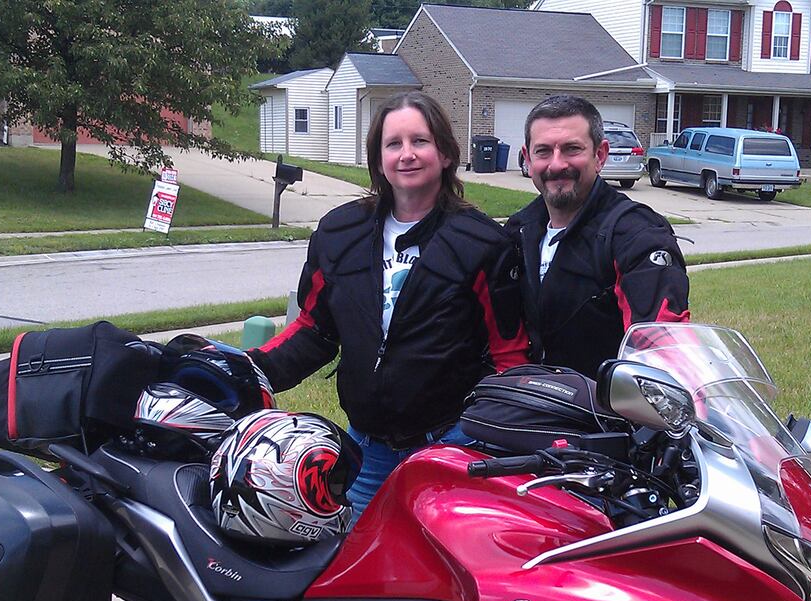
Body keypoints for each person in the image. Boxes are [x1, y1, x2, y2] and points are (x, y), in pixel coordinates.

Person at [250, 92, 527, 510]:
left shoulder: (483, 243)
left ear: (446, 154)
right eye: (393, 144)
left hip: (451, 447)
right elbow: (314, 330)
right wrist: (249, 371)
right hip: (368, 450)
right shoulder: (339, 233)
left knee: (437, 570)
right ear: (378, 158)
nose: (407, 154)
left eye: (420, 141)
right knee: (355, 563)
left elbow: (511, 358)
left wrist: (487, 436)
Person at [505, 95, 690, 376]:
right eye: (543, 151)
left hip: (604, 412)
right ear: (528, 158)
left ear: (600, 155)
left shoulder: (636, 234)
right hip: (527, 405)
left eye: (571, 149)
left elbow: (660, 347)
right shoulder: (519, 230)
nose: (556, 164)